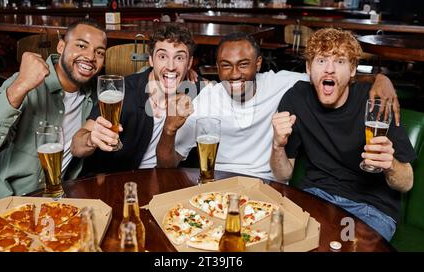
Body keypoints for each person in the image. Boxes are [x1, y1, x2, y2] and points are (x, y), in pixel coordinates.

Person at [156, 32, 399, 181]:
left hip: (268, 187)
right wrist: (168, 130)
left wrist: (380, 78)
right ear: (217, 67)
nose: (234, 74)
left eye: (243, 64)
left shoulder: (282, 83)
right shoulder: (205, 99)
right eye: (225, 65)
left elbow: (329, 75)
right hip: (217, 184)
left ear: (258, 63)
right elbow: (168, 164)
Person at [270, 28, 415, 241]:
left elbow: (406, 182)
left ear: (353, 70)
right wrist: (278, 146)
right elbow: (283, 175)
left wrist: (390, 164)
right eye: (321, 61)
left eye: (339, 61)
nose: (329, 70)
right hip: (315, 197)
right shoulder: (296, 98)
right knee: (274, 239)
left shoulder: (376, 102)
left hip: (370, 209)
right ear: (309, 68)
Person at [0, 19, 107, 214]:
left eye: (99, 52)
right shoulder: (27, 84)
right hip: (1, 203)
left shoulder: (95, 98)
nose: (90, 56)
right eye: (81, 45)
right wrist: (21, 85)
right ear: (61, 46)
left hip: (53, 206)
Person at [71, 23, 202, 174]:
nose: (171, 66)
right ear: (151, 60)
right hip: (116, 184)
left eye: (179, 58)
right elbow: (76, 146)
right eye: (163, 56)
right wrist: (91, 139)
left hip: (162, 181)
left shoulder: (195, 92)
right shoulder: (124, 92)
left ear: (189, 63)